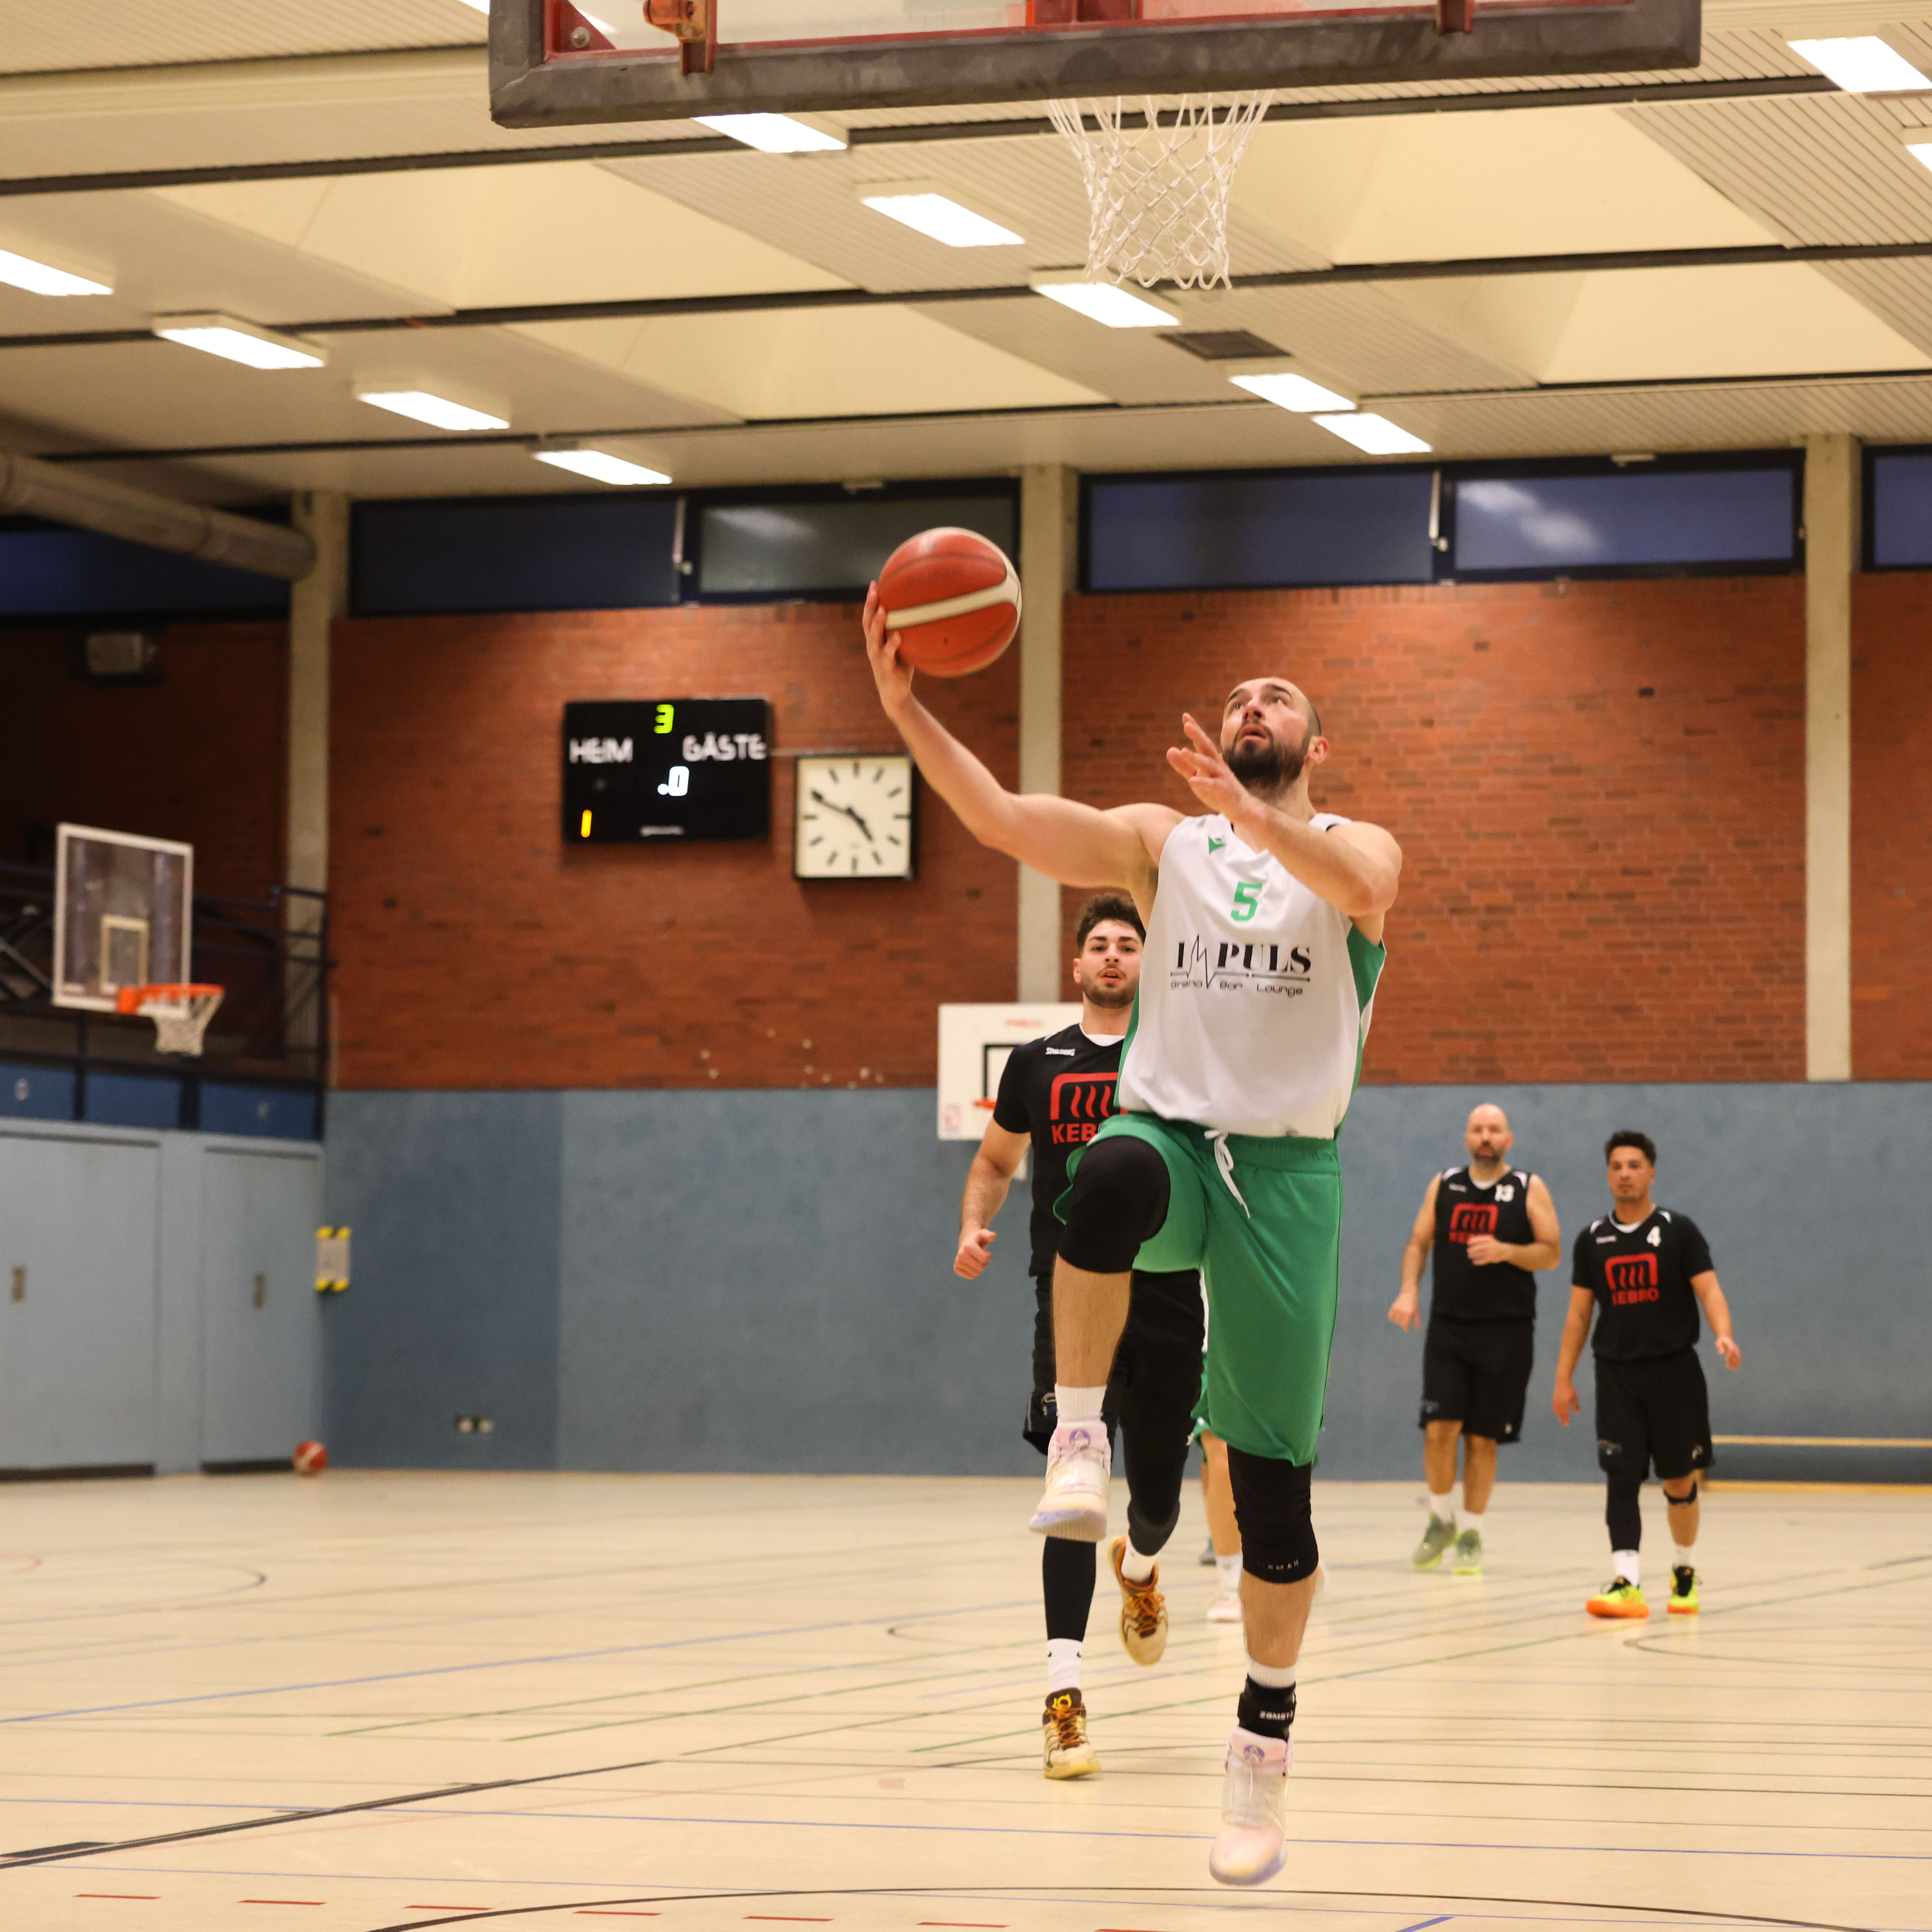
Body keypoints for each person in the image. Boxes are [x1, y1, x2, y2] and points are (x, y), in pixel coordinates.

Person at [864, 598, 1400, 1889]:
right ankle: (1080, 1438)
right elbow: (1004, 820)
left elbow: (1364, 891)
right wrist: (907, 714)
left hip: (1287, 1175)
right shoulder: (1168, 844)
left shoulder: (1351, 843)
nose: (1252, 706)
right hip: (1171, 1137)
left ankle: (1260, 1743)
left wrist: (1256, 817)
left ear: (1315, 745)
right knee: (1100, 1178)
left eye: (1276, 698)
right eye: (1238, 696)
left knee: (1273, 1503)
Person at [955, 892, 1204, 1779]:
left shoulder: (1177, 1056)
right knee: (1073, 1492)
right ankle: (1063, 1699)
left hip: (1166, 1290)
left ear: (1148, 962)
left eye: (1127, 944)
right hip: (1065, 1297)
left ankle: (1140, 1567)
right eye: (1098, 944)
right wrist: (972, 1222)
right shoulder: (1037, 1062)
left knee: (1159, 1503)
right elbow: (993, 1160)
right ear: (1076, 965)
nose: (1111, 955)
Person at [1553, 1130, 1742, 1620]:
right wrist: (1563, 1377)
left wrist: (1724, 1334)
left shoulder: (1678, 1231)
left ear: (1651, 1173)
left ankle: (1684, 1571)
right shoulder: (1592, 1239)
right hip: (1616, 1374)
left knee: (1679, 1480)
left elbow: (1710, 1291)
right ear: (1608, 1175)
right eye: (1617, 1166)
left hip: (1673, 1373)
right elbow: (1579, 1314)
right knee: (1621, 1475)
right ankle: (1627, 1584)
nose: (1625, 1174)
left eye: (1634, 1165)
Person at [1388, 1104, 1560, 1575]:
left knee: (1483, 1440)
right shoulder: (1445, 1185)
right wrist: (1408, 1291)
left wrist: (1506, 1251)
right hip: (1450, 1328)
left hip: (1507, 1331)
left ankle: (1471, 1532)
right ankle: (1440, 1520)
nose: (1486, 1137)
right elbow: (1418, 1242)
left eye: (1495, 1130)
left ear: (1508, 1139)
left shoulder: (1527, 1187)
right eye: (1478, 1129)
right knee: (1438, 1428)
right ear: (1467, 1139)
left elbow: (1551, 1253)